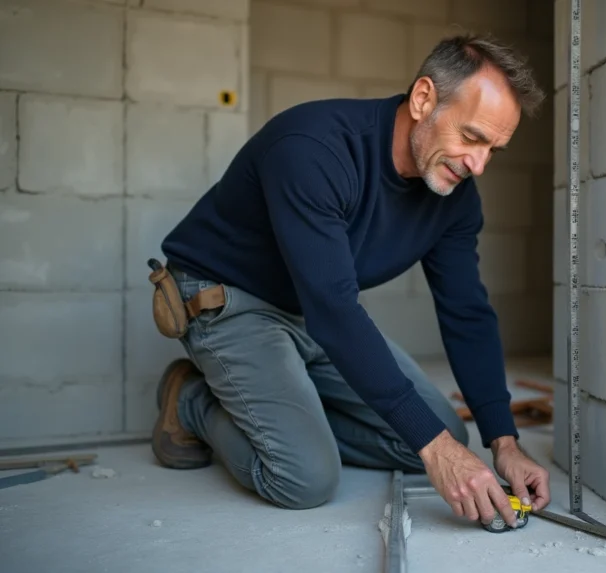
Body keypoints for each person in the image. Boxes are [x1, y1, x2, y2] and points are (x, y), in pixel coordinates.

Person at [149, 32, 550, 529]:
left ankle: (288, 410)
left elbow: (466, 311)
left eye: (495, 149)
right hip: (229, 299)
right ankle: (193, 400)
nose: (478, 165)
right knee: (304, 478)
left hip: (309, 309)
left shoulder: (455, 197)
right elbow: (336, 311)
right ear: (423, 98)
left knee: (447, 432)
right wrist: (436, 452)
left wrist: (504, 442)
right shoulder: (313, 147)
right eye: (471, 137)